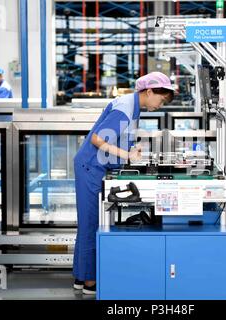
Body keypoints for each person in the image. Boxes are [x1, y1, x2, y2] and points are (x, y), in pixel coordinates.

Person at [72, 72, 175, 295]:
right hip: (91, 166)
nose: (161, 105)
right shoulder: (125, 108)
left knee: (88, 222)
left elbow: (117, 138)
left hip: (95, 166)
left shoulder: (133, 107)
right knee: (90, 222)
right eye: (161, 99)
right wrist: (126, 156)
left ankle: (81, 277)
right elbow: (98, 139)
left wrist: (131, 151)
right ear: (149, 91)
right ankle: (90, 282)